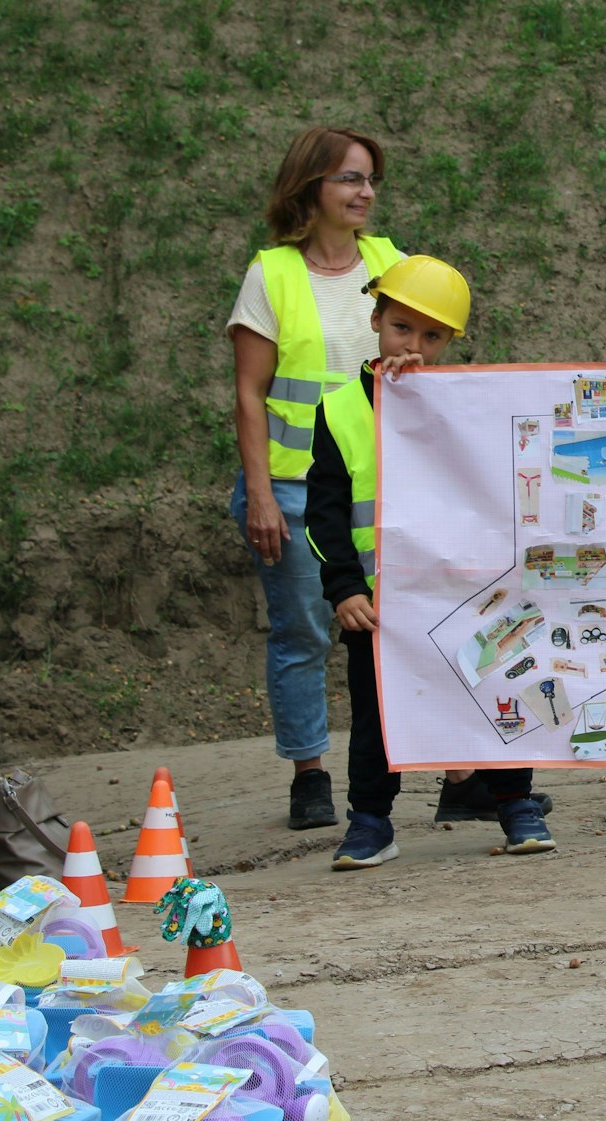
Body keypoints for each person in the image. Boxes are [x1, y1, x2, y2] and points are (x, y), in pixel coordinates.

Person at [306, 255, 555, 869]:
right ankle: (370, 822)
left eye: (432, 335)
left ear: (451, 342)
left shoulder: (472, 406)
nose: (413, 345)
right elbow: (326, 513)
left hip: (469, 593)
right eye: (401, 327)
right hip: (380, 605)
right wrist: (342, 587)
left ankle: (515, 804)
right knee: (377, 714)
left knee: (499, 684)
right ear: (375, 318)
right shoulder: (338, 410)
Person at [228, 126, 402, 831]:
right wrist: (262, 493)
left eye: (370, 180)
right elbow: (248, 393)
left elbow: (426, 359)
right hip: (295, 488)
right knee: (304, 629)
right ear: (312, 188)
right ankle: (310, 773)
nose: (365, 193)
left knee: (400, 626)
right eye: (350, 179)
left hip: (380, 484)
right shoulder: (270, 273)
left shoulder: (394, 264)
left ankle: (450, 771)